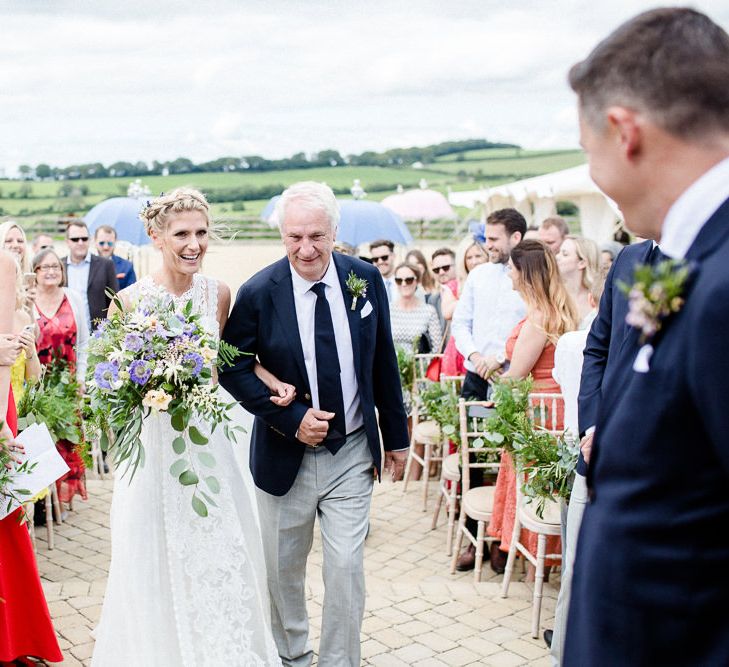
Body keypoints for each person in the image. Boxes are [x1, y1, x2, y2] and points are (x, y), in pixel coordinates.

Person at [564, 8, 729, 666]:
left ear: (623, 131)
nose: (593, 173)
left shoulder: (719, 285)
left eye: (586, 152)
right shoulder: (694, 260)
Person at [92, 187, 286, 666]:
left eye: (201, 232)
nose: (194, 243)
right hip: (153, 441)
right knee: (149, 543)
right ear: (157, 236)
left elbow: (231, 360)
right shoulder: (131, 302)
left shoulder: (217, 294)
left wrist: (269, 378)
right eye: (182, 233)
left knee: (218, 538)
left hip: (209, 437)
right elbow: (110, 382)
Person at [220, 181, 409, 667]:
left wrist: (398, 438)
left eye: (317, 236)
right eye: (294, 237)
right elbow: (232, 364)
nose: (306, 249)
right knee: (284, 572)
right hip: (285, 458)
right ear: (282, 235)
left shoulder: (363, 279)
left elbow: (382, 360)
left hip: (351, 451)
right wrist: (289, 417)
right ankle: (292, 658)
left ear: (334, 232)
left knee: (346, 567)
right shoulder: (260, 292)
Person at [485, 240, 579, 572]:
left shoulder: (540, 316)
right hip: (549, 408)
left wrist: (493, 398)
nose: (507, 272)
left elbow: (516, 374)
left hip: (538, 412)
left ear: (525, 273)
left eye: (511, 267)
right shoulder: (551, 309)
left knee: (530, 482)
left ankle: (532, 551)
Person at [451, 209, 527, 571]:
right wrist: (477, 355)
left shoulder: (528, 277)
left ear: (515, 238)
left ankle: (500, 541)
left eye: (494, 238)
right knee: (474, 457)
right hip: (476, 380)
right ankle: (471, 540)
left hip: (512, 382)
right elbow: (460, 323)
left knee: (505, 459)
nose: (487, 244)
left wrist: (500, 358)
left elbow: (532, 328)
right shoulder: (478, 276)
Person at [0, 249, 64, 665]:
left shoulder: (3, 265)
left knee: (5, 523)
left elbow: (6, 357)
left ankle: (14, 637)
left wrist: (0, 426)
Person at [32, 248, 89, 505]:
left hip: (69, 384)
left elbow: (85, 342)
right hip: (38, 385)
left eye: (56, 266)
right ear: (35, 272)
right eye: (46, 267)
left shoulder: (73, 298)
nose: (52, 271)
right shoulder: (29, 301)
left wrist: (82, 379)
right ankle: (44, 499)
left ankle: (63, 498)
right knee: (42, 443)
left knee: (68, 440)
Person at [441, 240, 487, 377]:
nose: (474, 261)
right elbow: (447, 312)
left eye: (478, 256)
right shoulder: (455, 286)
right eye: (469, 257)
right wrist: (469, 295)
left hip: (484, 346)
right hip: (460, 347)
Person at [63, 219, 119, 330]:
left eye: (84, 239)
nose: (80, 243)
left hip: (98, 336)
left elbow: (114, 302)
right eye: (75, 239)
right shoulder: (59, 267)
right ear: (67, 242)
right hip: (67, 334)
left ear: (89, 240)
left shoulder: (106, 265)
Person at [389, 262, 442, 354]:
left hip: (420, 366)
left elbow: (437, 347)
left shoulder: (429, 311)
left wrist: (423, 365)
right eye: (399, 280)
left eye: (409, 280)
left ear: (417, 281)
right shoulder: (387, 310)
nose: (404, 284)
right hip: (392, 365)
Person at [555, 235, 599, 326]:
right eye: (558, 252)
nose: (557, 257)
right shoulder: (552, 293)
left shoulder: (598, 298)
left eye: (565, 254)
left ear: (582, 263)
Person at [94, 224, 137, 289]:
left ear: (115, 242)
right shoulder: (87, 265)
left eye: (110, 243)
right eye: (102, 243)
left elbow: (132, 294)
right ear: (95, 241)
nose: (106, 247)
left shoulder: (127, 266)